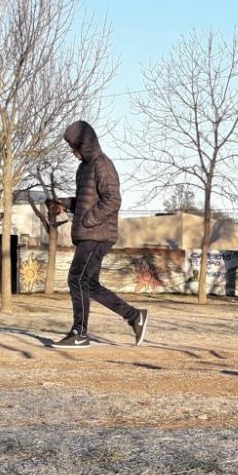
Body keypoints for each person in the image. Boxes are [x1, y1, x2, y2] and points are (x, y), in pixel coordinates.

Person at [53, 121, 148, 349]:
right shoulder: (83, 168)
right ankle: (135, 316)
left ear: (83, 144)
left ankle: (80, 333)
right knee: (90, 284)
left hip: (98, 234)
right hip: (90, 232)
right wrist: (63, 204)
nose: (71, 151)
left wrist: (87, 220)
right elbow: (87, 202)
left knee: (76, 278)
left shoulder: (102, 165)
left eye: (73, 146)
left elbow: (112, 200)